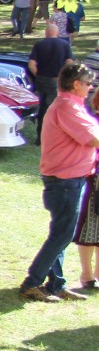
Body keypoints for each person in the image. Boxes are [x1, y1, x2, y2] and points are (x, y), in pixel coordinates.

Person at [21, 61, 99, 302]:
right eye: (88, 84)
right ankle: (32, 283)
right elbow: (94, 138)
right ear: (76, 84)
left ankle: (56, 284)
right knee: (62, 235)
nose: (90, 88)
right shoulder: (67, 106)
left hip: (69, 180)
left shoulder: (71, 104)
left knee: (60, 234)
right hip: (64, 181)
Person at [28, 20, 72, 143]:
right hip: (56, 80)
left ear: (46, 33)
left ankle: (39, 136)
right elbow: (69, 62)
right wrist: (62, 75)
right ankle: (50, 137)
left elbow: (31, 64)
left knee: (41, 107)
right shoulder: (64, 44)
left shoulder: (39, 45)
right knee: (52, 109)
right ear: (57, 33)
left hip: (41, 79)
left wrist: (38, 74)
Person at [76, 81, 99, 290]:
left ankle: (96, 274)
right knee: (88, 227)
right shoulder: (93, 123)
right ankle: (87, 274)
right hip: (95, 179)